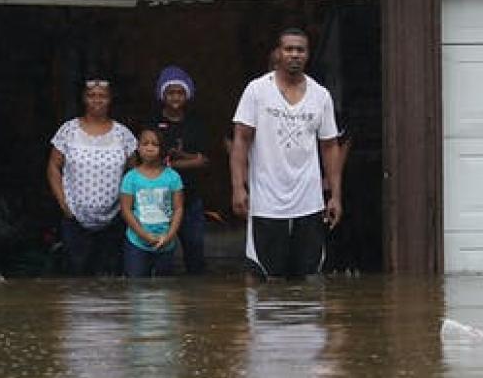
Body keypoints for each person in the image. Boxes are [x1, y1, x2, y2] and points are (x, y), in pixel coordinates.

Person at [229, 27, 343, 280]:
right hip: (266, 203)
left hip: (309, 203)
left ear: (308, 55)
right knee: (266, 280)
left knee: (309, 280)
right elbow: (241, 140)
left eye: (300, 50)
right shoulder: (257, 91)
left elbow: (330, 146)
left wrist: (335, 195)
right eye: (289, 49)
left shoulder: (320, 95)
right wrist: (238, 186)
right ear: (278, 53)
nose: (294, 55)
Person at [47, 78, 138, 276]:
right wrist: (64, 205)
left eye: (102, 96)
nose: (97, 100)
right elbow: (53, 167)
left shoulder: (123, 134)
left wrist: (125, 208)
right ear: (84, 99)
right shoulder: (68, 130)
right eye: (92, 96)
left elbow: (134, 175)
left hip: (113, 220)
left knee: (108, 280)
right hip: (75, 220)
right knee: (76, 280)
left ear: (110, 99)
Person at [147, 65, 209, 274]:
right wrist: (189, 160)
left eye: (180, 92)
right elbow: (148, 160)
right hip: (158, 200)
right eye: (171, 92)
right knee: (160, 254)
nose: (175, 97)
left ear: (187, 95)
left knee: (195, 252)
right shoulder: (152, 123)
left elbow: (204, 160)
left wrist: (175, 161)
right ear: (162, 95)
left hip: (190, 197)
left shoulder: (196, 124)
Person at [120, 128, 184, 277]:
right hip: (137, 242)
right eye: (145, 144)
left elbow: (178, 208)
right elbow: (126, 210)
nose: (149, 148)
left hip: (166, 242)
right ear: (138, 147)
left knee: (164, 290)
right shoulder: (131, 177)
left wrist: (169, 236)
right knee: (136, 287)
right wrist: (144, 235)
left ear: (162, 149)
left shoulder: (173, 177)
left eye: (155, 144)